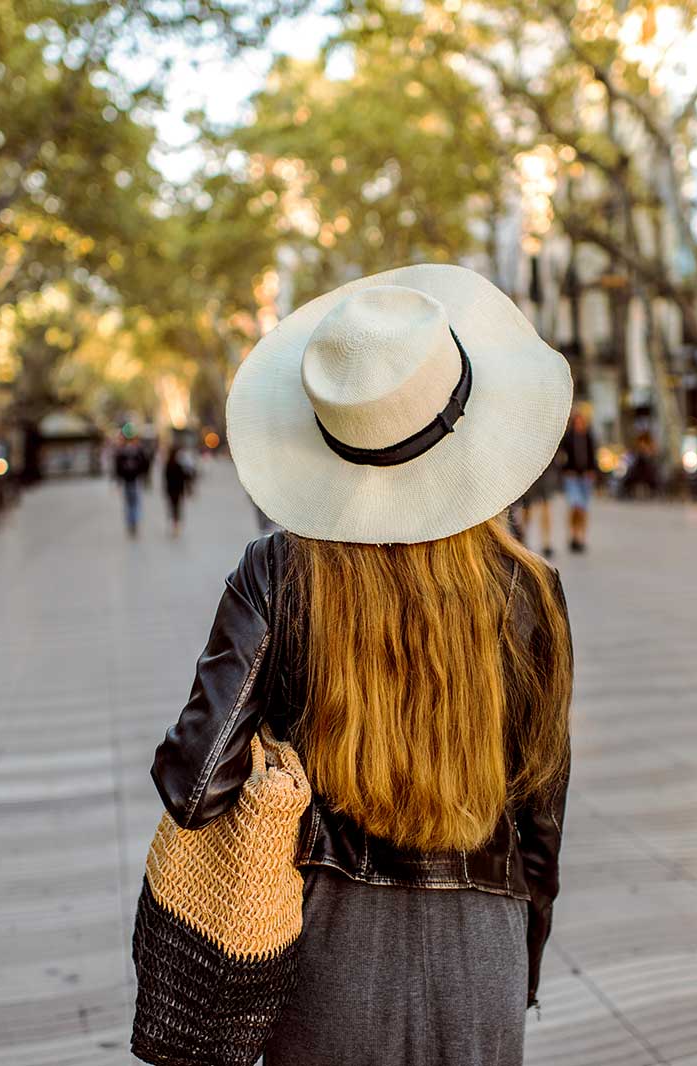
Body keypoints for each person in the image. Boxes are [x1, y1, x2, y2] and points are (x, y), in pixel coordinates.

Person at [150, 265, 575, 1065]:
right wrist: (522, 958)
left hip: (324, 946)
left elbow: (195, 782)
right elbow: (541, 819)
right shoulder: (532, 590)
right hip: (483, 946)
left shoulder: (276, 571)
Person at [559, 404, 599, 553]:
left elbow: (593, 455)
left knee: (583, 508)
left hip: (585, 477)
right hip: (572, 477)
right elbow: (561, 457)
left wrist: (593, 470)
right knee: (575, 506)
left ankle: (582, 536)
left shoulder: (589, 436)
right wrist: (565, 471)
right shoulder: (568, 437)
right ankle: (573, 534)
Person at [112, 433, 149, 537]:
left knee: (129, 503)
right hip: (134, 480)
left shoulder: (122, 452)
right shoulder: (137, 451)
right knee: (135, 503)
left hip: (129, 481)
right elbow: (145, 464)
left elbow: (117, 468)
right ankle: (133, 522)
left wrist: (118, 481)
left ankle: (131, 522)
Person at [161, 436, 191, 537]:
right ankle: (176, 524)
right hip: (177, 490)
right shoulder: (178, 465)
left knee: (172, 507)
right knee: (177, 507)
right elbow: (184, 478)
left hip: (171, 490)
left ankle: (173, 523)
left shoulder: (168, 464)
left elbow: (165, 478)